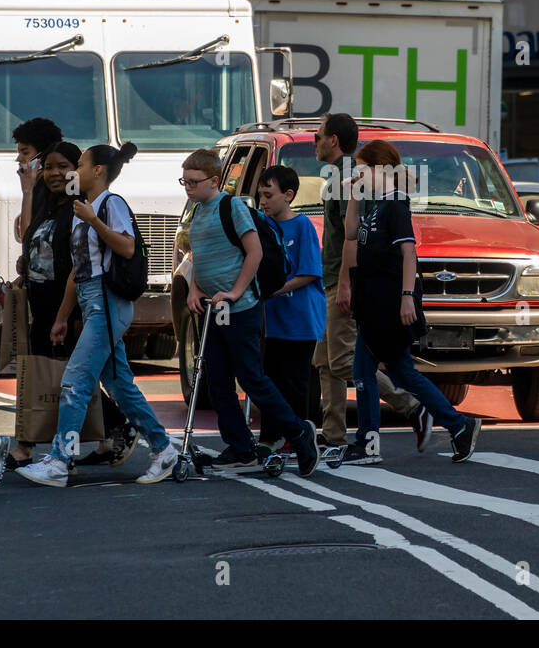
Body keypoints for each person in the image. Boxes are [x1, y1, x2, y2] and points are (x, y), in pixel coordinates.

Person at [17, 142, 180, 487]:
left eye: (82, 164)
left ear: (98, 171)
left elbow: (127, 246)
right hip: (94, 302)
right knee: (120, 386)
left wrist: (94, 221)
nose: (76, 170)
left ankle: (60, 460)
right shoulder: (88, 208)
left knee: (75, 382)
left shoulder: (110, 204)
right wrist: (62, 317)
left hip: (107, 302)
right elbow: (78, 271)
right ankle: (163, 448)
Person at [180, 148, 321, 475]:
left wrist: (236, 291)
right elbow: (198, 256)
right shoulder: (198, 212)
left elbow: (254, 252)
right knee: (216, 380)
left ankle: (298, 433)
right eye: (183, 181)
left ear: (214, 181)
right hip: (214, 308)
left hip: (240, 307)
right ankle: (241, 447)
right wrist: (195, 288)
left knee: (251, 377)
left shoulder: (231, 207)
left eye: (193, 181)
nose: (187, 187)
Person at [342, 140, 481, 464]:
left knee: (400, 371)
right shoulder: (376, 204)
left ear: (380, 169)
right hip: (371, 303)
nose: (357, 173)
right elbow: (350, 233)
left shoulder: (396, 205)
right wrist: (353, 195)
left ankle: (458, 425)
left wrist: (407, 298)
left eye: (362, 168)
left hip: (389, 303)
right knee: (364, 371)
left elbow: (409, 254)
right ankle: (369, 441)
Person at [10, 141, 134, 471]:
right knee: (72, 377)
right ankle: (125, 434)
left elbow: (92, 261)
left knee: (76, 381)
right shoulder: (49, 204)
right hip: (46, 301)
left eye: (66, 166)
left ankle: (60, 455)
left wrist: (68, 315)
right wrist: (27, 192)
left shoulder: (84, 207)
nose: (56, 173)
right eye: (49, 167)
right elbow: (27, 237)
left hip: (81, 304)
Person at [312, 113, 428, 451]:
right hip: (331, 276)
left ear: (333, 140)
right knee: (324, 361)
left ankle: (413, 406)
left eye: (318, 136)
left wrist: (347, 282)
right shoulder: (340, 174)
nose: (314, 143)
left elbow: (355, 236)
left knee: (346, 361)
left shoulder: (348, 175)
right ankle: (333, 433)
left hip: (341, 278)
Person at [256, 164, 327, 451]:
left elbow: (309, 272)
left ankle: (297, 436)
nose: (262, 201)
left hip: (300, 318)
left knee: (296, 381)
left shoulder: (302, 225)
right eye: (260, 195)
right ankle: (269, 437)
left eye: (268, 195)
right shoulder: (262, 225)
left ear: (288, 195)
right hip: (272, 319)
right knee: (269, 378)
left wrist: (274, 288)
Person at [12, 117, 63, 249]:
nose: (19, 158)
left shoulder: (52, 191)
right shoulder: (37, 187)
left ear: (42, 156)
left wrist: (27, 192)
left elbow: (26, 237)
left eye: (25, 152)